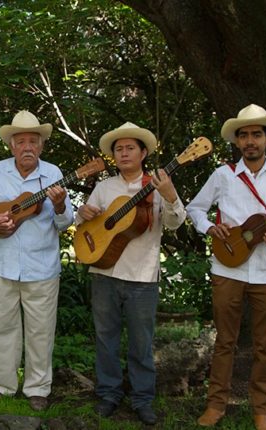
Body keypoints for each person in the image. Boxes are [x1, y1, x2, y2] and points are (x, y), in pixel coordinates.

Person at [186, 104, 266, 430]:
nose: (250, 141)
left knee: (264, 346)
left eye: (256, 134)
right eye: (244, 136)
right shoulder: (223, 175)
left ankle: (262, 410)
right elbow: (195, 208)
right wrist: (210, 227)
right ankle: (216, 405)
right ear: (237, 141)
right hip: (227, 269)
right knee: (225, 341)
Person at [76, 122, 186, 424]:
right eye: (119, 149)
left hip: (142, 277)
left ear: (143, 153)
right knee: (105, 338)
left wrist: (170, 195)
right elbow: (85, 224)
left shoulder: (157, 184)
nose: (124, 153)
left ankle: (142, 399)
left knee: (141, 343)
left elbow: (175, 223)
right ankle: (108, 394)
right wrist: (82, 213)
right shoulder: (104, 187)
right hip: (104, 272)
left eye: (130, 148)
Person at [0, 110, 73, 411]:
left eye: (33, 141)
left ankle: (38, 389)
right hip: (1, 265)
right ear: (11, 145)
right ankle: (3, 386)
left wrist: (60, 206)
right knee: (1, 328)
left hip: (42, 267)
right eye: (21, 141)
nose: (27, 147)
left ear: (41, 145)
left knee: (41, 331)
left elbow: (66, 222)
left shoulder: (53, 174)